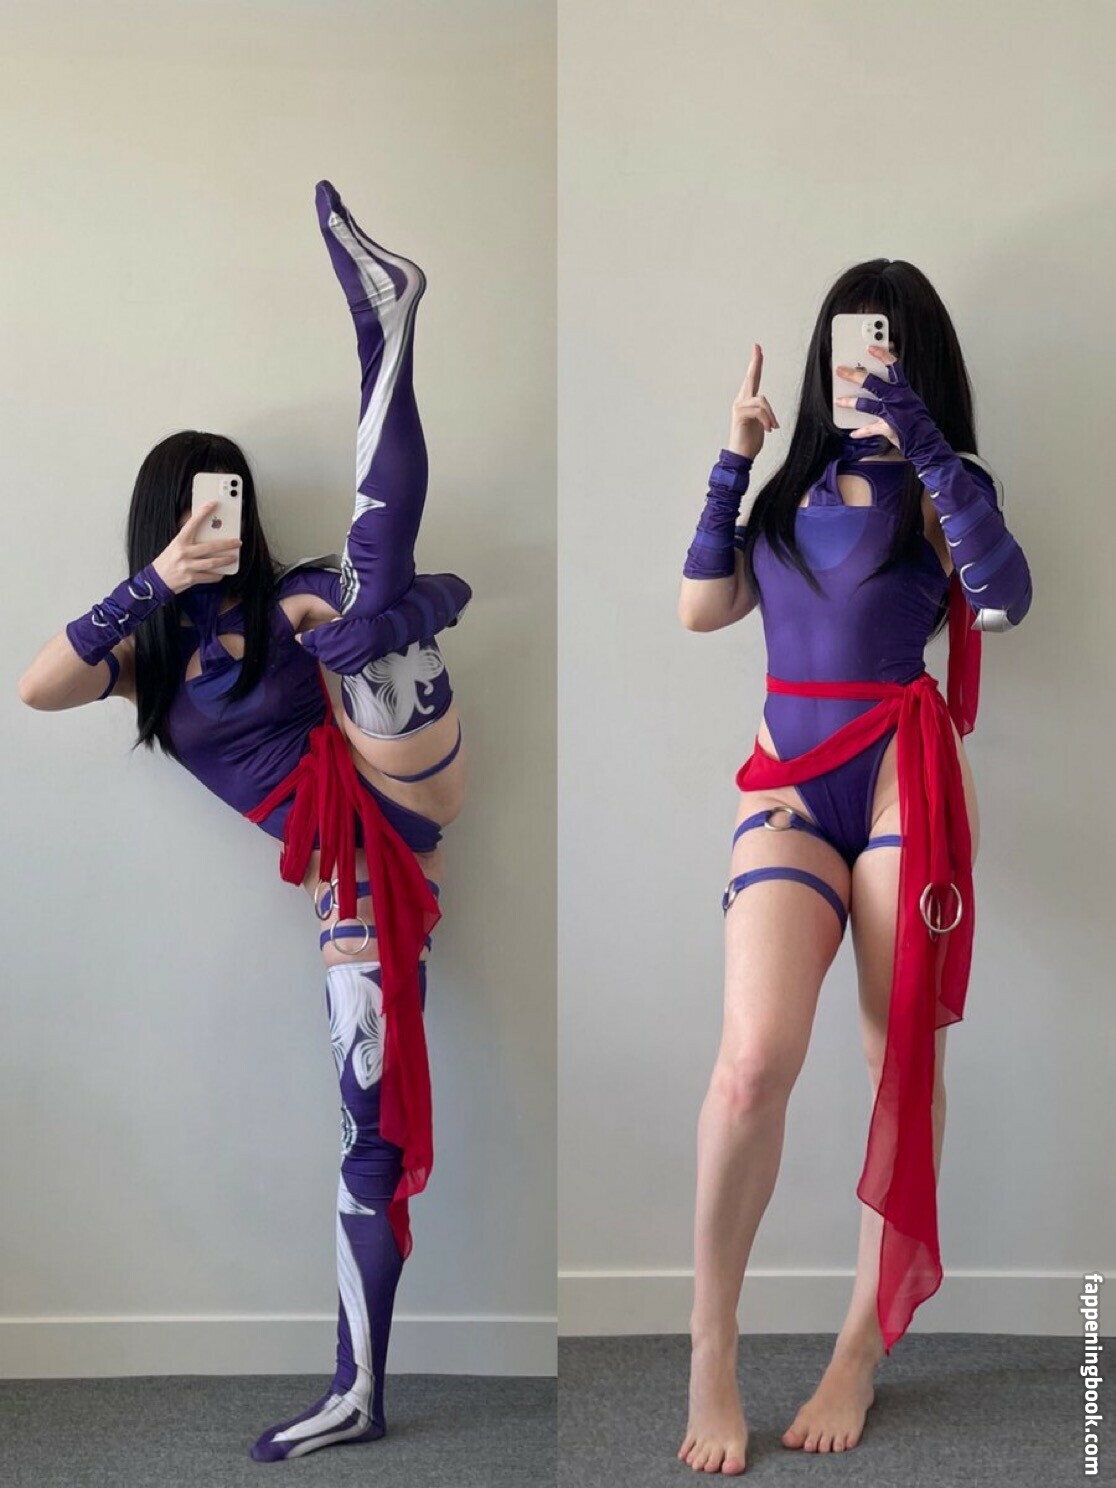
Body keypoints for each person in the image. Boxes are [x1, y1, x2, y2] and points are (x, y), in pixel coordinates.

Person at [18, 180, 472, 1462]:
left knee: (370, 591)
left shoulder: (288, 595)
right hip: (356, 872)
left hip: (399, 789)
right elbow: (38, 684)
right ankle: (359, 1388)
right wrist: (155, 581)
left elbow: (424, 583)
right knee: (368, 1122)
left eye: (223, 502)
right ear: (162, 520)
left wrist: (387, 615)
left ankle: (385, 331)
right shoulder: (147, 658)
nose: (213, 519)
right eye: (190, 506)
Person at [675, 259, 1032, 1474]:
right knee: (751, 1066)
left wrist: (925, 443)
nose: (858, 360)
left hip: (898, 775)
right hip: (787, 779)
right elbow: (701, 607)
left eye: (880, 342)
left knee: (898, 1064)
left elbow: (1005, 601)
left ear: (914, 355)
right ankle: (711, 1345)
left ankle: (858, 1348)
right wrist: (734, 457)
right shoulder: (790, 484)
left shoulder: (946, 482)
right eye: (843, 338)